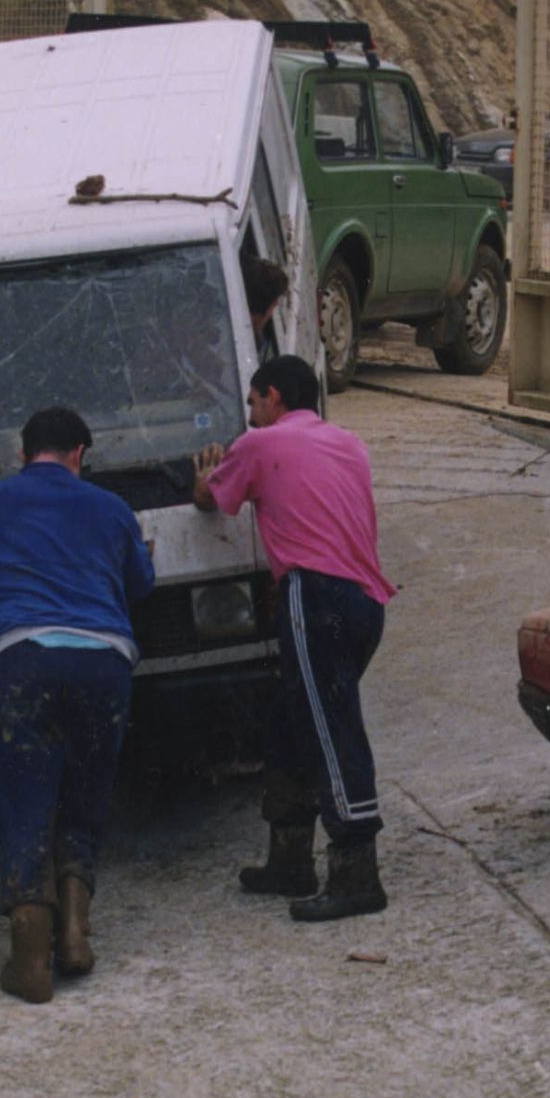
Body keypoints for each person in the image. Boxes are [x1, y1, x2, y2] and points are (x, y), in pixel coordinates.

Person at [0, 407, 155, 1004]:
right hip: (105, 663)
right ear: (79, 455)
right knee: (86, 797)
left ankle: (28, 958)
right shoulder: (113, 508)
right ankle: (75, 932)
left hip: (26, 659)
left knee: (25, 802)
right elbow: (139, 584)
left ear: (22, 454)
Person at [192, 354, 396, 922]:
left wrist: (203, 475)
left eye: (254, 402)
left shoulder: (260, 444)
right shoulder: (348, 442)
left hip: (315, 597)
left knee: (331, 728)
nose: (251, 414)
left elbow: (212, 499)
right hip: (366, 601)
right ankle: (289, 857)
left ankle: (356, 869)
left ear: (274, 396)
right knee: (292, 720)